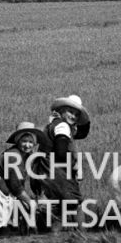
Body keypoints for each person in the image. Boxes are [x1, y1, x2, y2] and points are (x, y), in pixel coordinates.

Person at [36, 93, 91, 230]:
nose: (73, 116)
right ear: (61, 111)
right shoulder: (63, 127)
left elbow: (83, 133)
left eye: (77, 114)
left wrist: (83, 119)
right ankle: (84, 239)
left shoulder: (52, 125)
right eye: (70, 112)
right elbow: (61, 153)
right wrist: (75, 168)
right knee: (75, 205)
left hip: (45, 174)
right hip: (58, 174)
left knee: (59, 209)